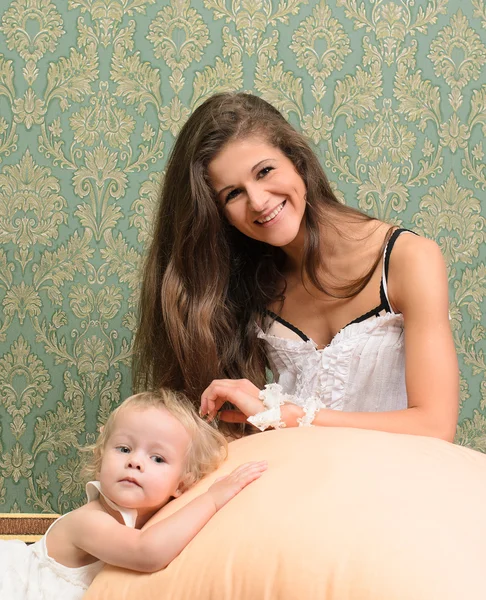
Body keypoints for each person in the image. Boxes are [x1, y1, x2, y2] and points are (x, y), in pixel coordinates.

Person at [134, 92, 459, 441]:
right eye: (233, 194)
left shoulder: (407, 259)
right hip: (299, 482)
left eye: (264, 171)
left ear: (297, 160)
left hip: (395, 482)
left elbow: (435, 426)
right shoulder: (250, 286)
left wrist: (289, 416)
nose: (258, 202)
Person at [0, 390, 267, 599]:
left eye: (157, 458)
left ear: (182, 486)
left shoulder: (152, 517)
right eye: (124, 449)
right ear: (101, 454)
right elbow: (146, 551)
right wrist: (212, 498)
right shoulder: (88, 521)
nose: (135, 462)